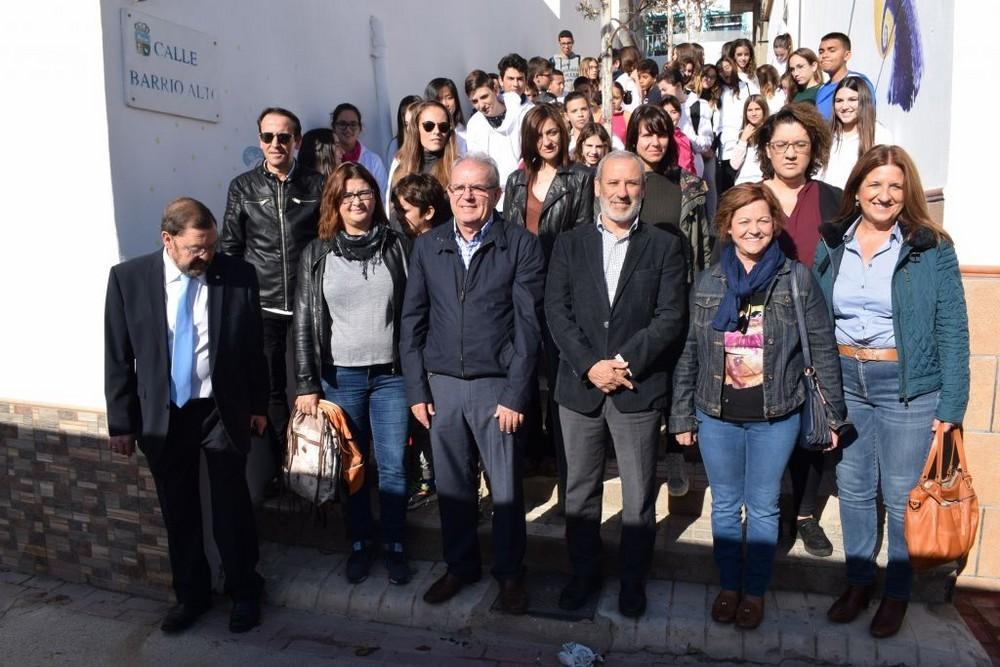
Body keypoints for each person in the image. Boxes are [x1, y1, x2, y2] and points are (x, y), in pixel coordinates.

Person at [670, 184, 846, 630]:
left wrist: (835, 414)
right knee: (726, 506)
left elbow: (822, 346)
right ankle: (730, 584)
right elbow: (690, 350)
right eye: (743, 220)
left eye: (763, 220)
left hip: (777, 415)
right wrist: (682, 414)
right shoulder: (710, 281)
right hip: (717, 414)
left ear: (775, 224)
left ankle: (755, 591)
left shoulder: (796, 278)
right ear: (727, 226)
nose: (754, 229)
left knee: (764, 505)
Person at [815, 145, 969, 638]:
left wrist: (952, 406)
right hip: (846, 380)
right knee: (856, 490)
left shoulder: (931, 246)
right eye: (874, 184)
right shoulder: (833, 241)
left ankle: (897, 592)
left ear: (908, 195)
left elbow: (953, 327)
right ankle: (859, 582)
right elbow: (817, 314)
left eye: (895, 187)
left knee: (903, 496)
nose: (884, 195)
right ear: (856, 189)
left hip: (907, 385)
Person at [105, 197, 268, 634]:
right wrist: (121, 423)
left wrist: (258, 405)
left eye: (210, 245)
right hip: (164, 416)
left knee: (231, 506)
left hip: (220, 409)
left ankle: (244, 591)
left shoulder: (236, 274)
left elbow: (254, 346)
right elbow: (118, 357)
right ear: (168, 240)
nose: (206, 255)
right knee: (179, 510)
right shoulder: (128, 279)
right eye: (197, 247)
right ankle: (191, 597)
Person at [399, 154, 546, 615]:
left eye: (478, 188)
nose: (467, 196)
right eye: (459, 188)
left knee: (504, 491)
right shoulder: (428, 245)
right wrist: (416, 390)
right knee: (453, 487)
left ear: (496, 195)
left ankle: (510, 575)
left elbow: (528, 327)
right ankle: (460, 566)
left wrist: (516, 392)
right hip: (441, 385)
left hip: (495, 387)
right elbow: (412, 320)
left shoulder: (519, 245)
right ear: (448, 194)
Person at [545, 151, 688, 618]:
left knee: (638, 495)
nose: (622, 192)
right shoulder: (570, 243)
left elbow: (671, 316)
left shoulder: (666, 246)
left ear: (643, 190)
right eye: (614, 183)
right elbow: (556, 312)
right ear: (597, 188)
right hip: (580, 388)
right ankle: (583, 575)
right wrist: (590, 365)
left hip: (636, 388)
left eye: (631, 184)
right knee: (580, 492)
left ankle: (632, 580)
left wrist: (623, 363)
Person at [292, 162, 412, 585]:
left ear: (376, 199)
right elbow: (305, 321)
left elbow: (414, 314)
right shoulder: (317, 252)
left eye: (365, 193)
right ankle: (360, 543)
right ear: (334, 203)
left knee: (395, 465)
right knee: (352, 466)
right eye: (348, 196)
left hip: (391, 377)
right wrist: (306, 381)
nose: (357, 202)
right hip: (340, 378)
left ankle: (396, 544)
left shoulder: (397, 245)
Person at [753, 102, 843, 557]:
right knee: (767, 424)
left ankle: (806, 513)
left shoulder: (832, 198)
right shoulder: (749, 194)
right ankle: (772, 510)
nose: (790, 153)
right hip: (761, 328)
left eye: (800, 145)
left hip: (816, 329)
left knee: (813, 423)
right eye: (781, 145)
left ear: (814, 149)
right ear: (767, 149)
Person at [221, 107, 324, 496]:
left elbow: (327, 240)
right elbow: (231, 247)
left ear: (296, 140)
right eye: (267, 137)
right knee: (268, 393)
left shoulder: (317, 184)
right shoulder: (243, 187)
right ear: (259, 140)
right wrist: (233, 303)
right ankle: (284, 471)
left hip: (308, 304)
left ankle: (320, 466)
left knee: (313, 386)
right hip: (261, 306)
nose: (275, 144)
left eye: (284, 137)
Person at [503, 104, 595, 483]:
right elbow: (508, 235)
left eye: (553, 132)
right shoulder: (515, 181)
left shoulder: (580, 179)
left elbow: (583, 236)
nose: (548, 141)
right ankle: (524, 455)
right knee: (521, 369)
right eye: (540, 134)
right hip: (521, 289)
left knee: (560, 375)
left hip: (561, 288)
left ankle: (562, 459)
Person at [388, 173, 450, 509]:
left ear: (427, 212)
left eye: (405, 210)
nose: (398, 216)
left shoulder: (447, 241)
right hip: (410, 348)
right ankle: (425, 479)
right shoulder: (400, 243)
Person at [626, 104, 713, 280]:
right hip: (631, 283)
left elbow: (702, 245)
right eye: (648, 135)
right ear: (634, 139)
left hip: (677, 283)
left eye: (662, 135)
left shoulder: (689, 185)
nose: (655, 143)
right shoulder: (620, 183)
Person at [464, 69, 533, 208]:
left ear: (495, 90)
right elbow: (479, 162)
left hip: (526, 187)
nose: (481, 105)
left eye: (484, 97)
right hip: (495, 196)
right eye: (475, 101)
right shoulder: (474, 125)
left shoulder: (521, 113)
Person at [821, 77, 894, 189]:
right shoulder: (827, 136)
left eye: (852, 99)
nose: (844, 107)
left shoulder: (879, 135)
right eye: (839, 101)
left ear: (864, 101)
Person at [386, 100, 460, 210]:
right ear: (416, 129)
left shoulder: (458, 169)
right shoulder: (401, 168)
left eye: (443, 127)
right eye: (429, 126)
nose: (437, 131)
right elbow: (393, 214)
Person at [330, 103, 388, 194]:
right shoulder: (327, 160)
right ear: (334, 127)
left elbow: (383, 196)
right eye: (342, 124)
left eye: (353, 124)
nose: (348, 129)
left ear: (360, 128)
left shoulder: (373, 161)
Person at [816, 32, 875, 120]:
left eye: (832, 50)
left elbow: (867, 119)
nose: (824, 55)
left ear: (846, 55)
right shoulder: (821, 89)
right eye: (821, 52)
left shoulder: (859, 82)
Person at [717, 56, 754, 193]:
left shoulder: (746, 86)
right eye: (720, 70)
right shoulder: (719, 90)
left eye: (727, 68)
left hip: (744, 140)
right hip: (725, 146)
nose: (724, 73)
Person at [732, 95, 769, 185]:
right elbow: (734, 165)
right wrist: (743, 139)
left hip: (762, 183)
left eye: (757, 109)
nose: (753, 113)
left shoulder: (770, 132)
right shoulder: (742, 134)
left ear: (764, 110)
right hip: (742, 183)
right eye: (750, 110)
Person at [425, 78, 469, 153]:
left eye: (449, 98)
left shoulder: (465, 134)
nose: (445, 104)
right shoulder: (424, 134)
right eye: (439, 99)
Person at [661, 95, 696, 175]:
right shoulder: (659, 138)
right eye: (665, 112)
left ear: (679, 115)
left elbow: (690, 163)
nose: (669, 116)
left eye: (673, 112)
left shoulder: (683, 137)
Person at [385, 95, 423, 169]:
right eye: (403, 115)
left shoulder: (430, 138)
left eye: (412, 114)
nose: (406, 118)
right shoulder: (395, 144)